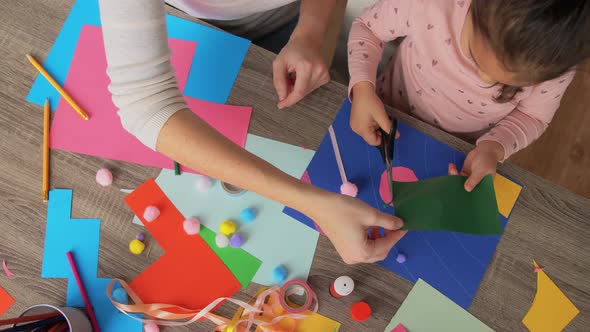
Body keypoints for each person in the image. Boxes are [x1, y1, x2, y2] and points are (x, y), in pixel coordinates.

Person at [98, 0, 407, 265]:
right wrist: (314, 204)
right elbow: (145, 105)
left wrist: (312, 31)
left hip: (291, 18)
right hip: (194, 24)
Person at [348, 0, 589, 191]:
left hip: (455, 152)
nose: (484, 81)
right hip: (384, 108)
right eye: (475, 57)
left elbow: (534, 116)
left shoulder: (554, 69)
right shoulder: (431, 5)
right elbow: (369, 28)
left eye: (510, 85)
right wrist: (362, 88)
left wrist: (495, 147)